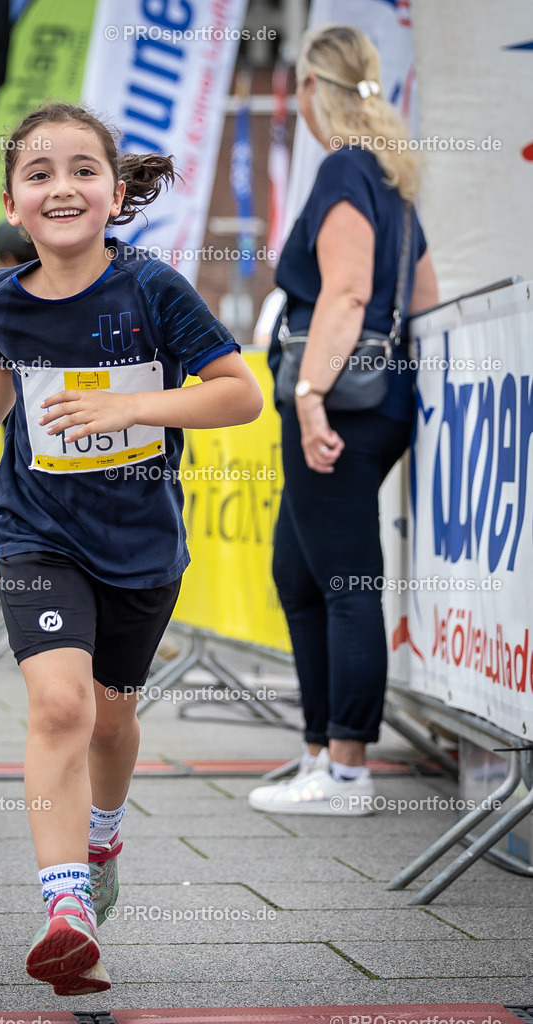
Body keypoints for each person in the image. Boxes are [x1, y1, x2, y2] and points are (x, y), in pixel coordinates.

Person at [0, 102, 263, 996]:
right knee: (59, 708)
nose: (62, 186)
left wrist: (131, 407)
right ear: (13, 203)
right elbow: (5, 361)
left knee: (112, 718)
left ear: (116, 190)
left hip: (137, 542)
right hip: (35, 527)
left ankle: (102, 837)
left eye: (83, 169)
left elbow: (238, 396)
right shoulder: (1, 297)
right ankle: (66, 908)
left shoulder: (151, 289)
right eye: (39, 173)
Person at [248, 26, 438, 817]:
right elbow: (423, 301)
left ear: (311, 94)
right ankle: (320, 752)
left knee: (346, 579)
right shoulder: (390, 182)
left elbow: (348, 292)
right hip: (379, 400)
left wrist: (310, 393)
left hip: (339, 402)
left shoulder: (340, 170)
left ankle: (348, 769)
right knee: (300, 574)